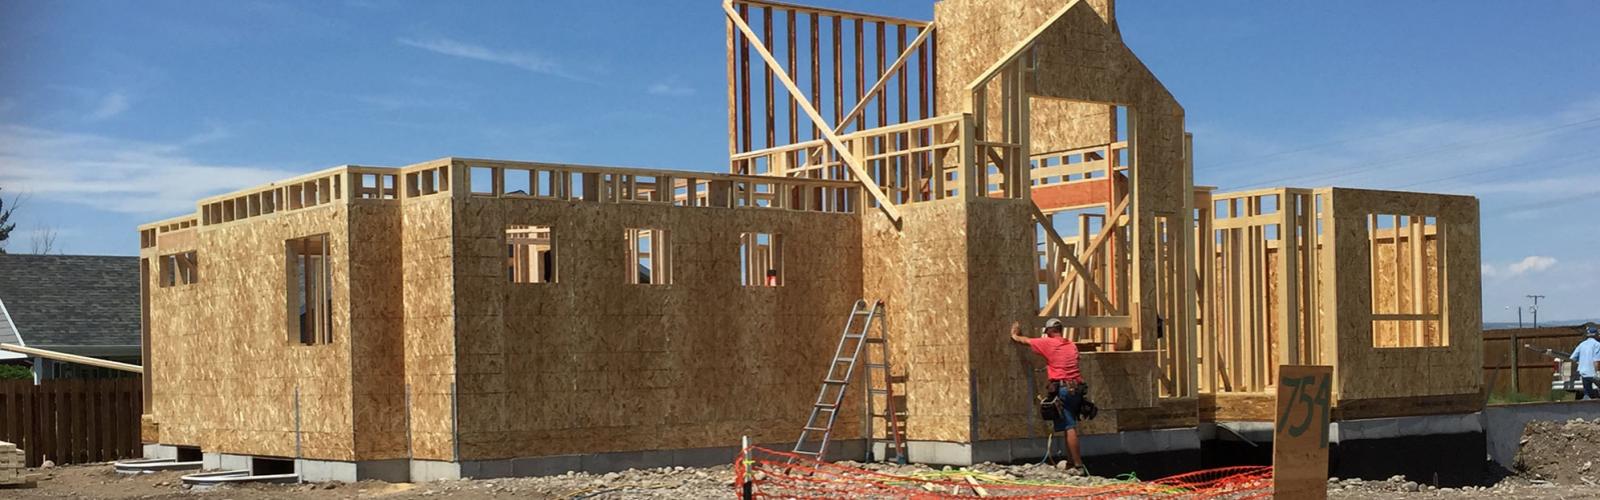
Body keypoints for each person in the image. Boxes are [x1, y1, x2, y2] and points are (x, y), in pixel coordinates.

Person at [1010, 318, 1085, 474]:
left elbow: (1025, 341)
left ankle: (1078, 465)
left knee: (1069, 427)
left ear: (1050, 331)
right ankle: (1071, 463)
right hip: (1076, 388)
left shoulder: (1048, 343)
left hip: (1064, 389)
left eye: (1047, 333)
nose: (1047, 335)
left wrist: (1015, 335)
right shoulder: (1071, 345)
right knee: (1068, 424)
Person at [1573, 325, 1600, 400]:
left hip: (1583, 373)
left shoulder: (1581, 344)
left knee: (1587, 393)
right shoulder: (1597, 345)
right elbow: (1596, 360)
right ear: (1596, 334)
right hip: (1593, 373)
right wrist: (1597, 372)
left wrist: (1581, 361)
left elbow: (1573, 357)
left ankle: (1585, 407)